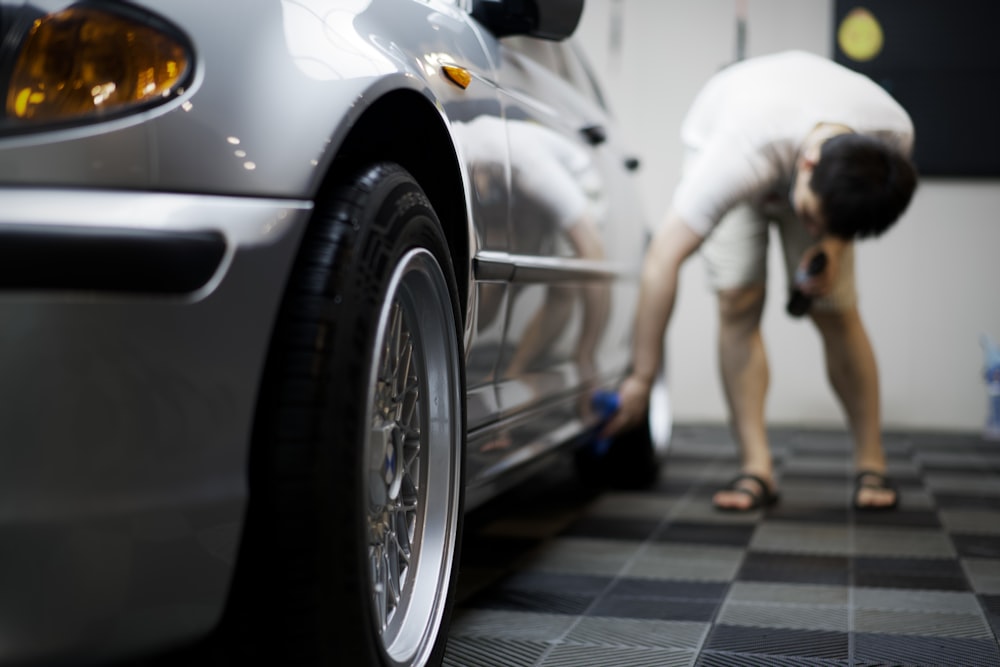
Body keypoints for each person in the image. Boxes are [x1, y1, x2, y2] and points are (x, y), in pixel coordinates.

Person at [603, 50, 917, 511]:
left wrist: (830, 246)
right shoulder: (736, 153)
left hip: (803, 150)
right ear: (808, 165)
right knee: (737, 300)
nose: (809, 227)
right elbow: (662, 259)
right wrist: (643, 376)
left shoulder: (891, 139)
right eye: (808, 217)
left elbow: (841, 217)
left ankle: (872, 460)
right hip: (731, 128)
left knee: (835, 309)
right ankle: (757, 468)